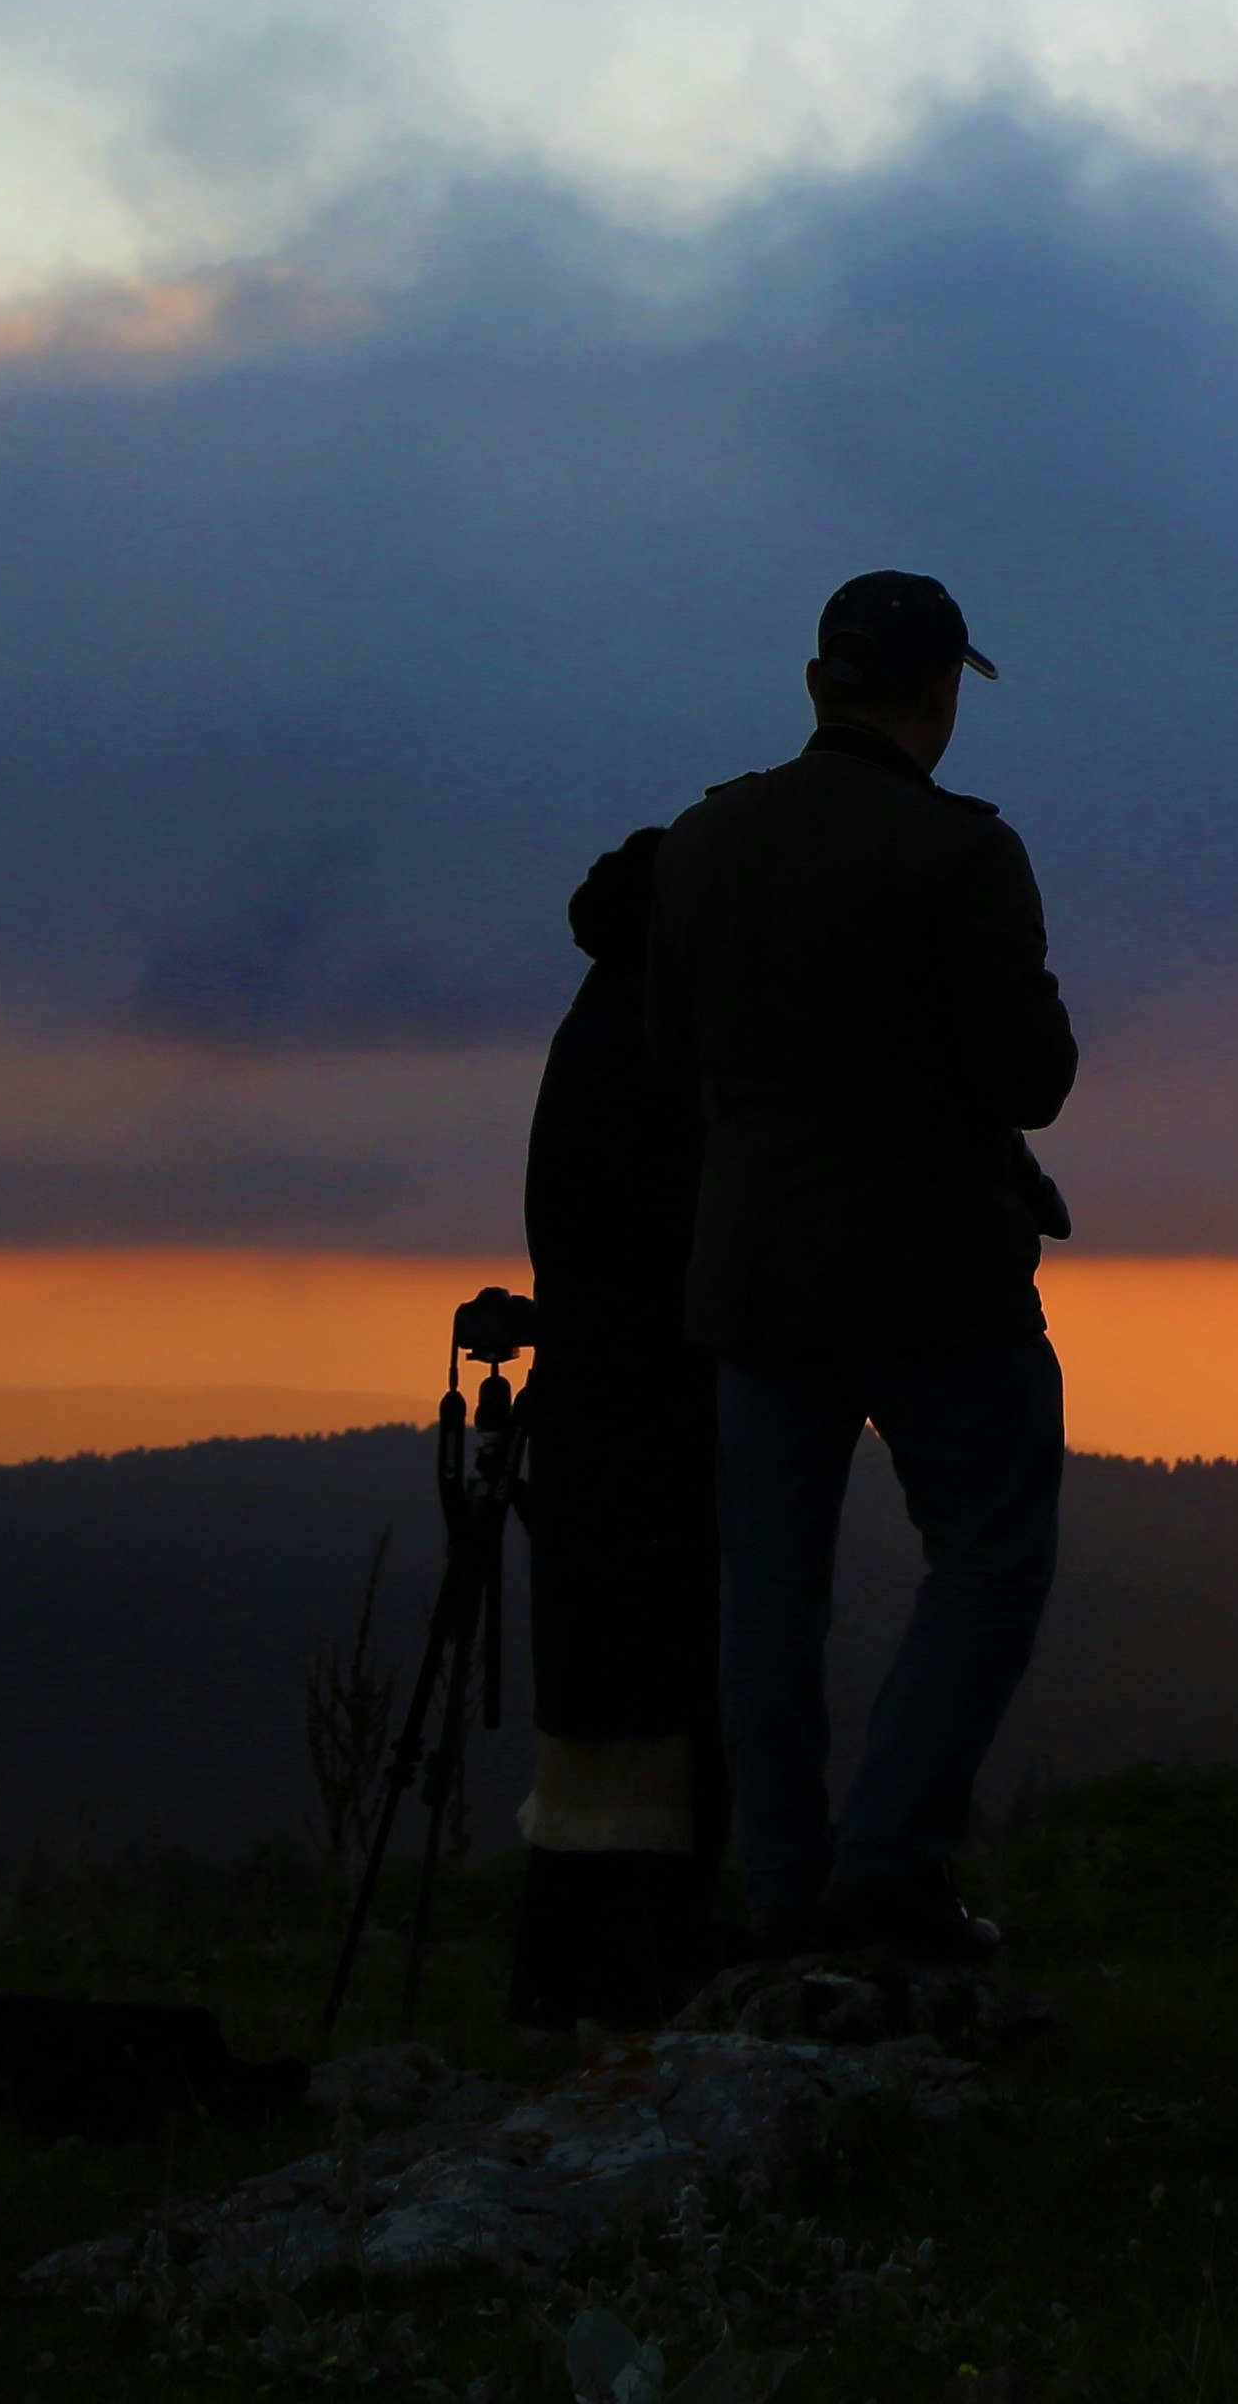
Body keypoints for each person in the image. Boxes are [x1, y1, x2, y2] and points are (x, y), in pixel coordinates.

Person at [648, 570, 1080, 1963]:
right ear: (945, 690)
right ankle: (886, 1877)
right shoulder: (962, 854)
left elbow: (667, 1052)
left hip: (753, 1274)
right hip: (931, 1279)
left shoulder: (707, 839)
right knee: (988, 1557)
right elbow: (1031, 1076)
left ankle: (782, 1895)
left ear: (817, 681)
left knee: (765, 1595)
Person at [512, 822, 727, 2027]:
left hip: (595, 1414)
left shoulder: (596, 1019)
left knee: (597, 1703)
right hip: (657, 1416)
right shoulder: (662, 1032)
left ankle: (573, 1972)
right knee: (656, 1690)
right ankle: (634, 1972)